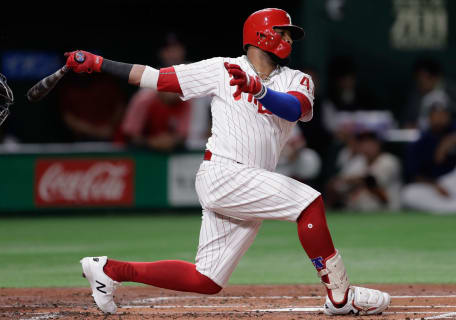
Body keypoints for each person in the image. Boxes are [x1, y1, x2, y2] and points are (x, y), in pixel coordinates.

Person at [67, 8, 390, 316]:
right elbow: (154, 77)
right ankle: (340, 294)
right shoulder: (221, 68)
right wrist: (98, 63)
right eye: (283, 32)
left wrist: (259, 90)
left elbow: (294, 109)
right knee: (309, 203)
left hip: (249, 180)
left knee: (206, 280)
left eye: (291, 35)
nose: (289, 40)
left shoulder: (297, 78)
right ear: (262, 34)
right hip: (224, 172)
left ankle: (108, 269)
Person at [402, 93, 456, 213]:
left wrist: (450, 140)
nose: (440, 116)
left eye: (443, 112)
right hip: (438, 187)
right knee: (408, 194)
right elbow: (415, 175)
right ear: (428, 116)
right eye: (435, 112)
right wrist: (435, 185)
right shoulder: (420, 141)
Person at [325, 129, 401, 211]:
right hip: (359, 209)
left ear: (378, 144)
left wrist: (353, 181)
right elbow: (340, 181)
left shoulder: (389, 160)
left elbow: (372, 182)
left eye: (370, 143)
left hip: (387, 207)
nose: (367, 146)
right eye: (363, 143)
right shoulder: (358, 161)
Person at [401, 58, 456, 129]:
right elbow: (407, 119)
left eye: (424, 78)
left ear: (435, 78)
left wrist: (446, 116)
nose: (420, 83)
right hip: (422, 134)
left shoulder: (452, 90)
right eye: (418, 80)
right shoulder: (416, 94)